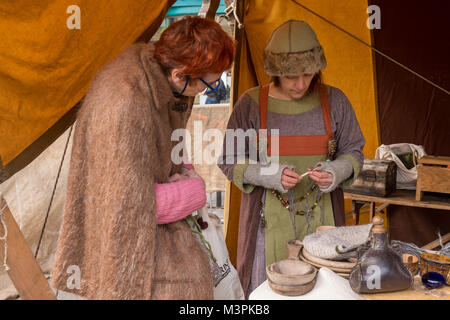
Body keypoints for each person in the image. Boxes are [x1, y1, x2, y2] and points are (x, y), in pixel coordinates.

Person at [52, 16, 235, 300]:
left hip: (149, 214)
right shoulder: (126, 103)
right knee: (190, 284)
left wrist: (183, 165)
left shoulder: (157, 70)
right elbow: (130, 207)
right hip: (124, 242)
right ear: (180, 73)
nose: (206, 92)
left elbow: (166, 136)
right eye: (207, 85)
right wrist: (194, 190)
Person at [217, 20, 365, 297]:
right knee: (267, 293)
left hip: (324, 223)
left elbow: (354, 152)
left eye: (308, 74)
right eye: (290, 77)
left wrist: (336, 171)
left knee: (327, 291)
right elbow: (228, 159)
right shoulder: (250, 104)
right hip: (265, 227)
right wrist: (269, 175)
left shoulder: (335, 101)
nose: (300, 84)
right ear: (275, 73)